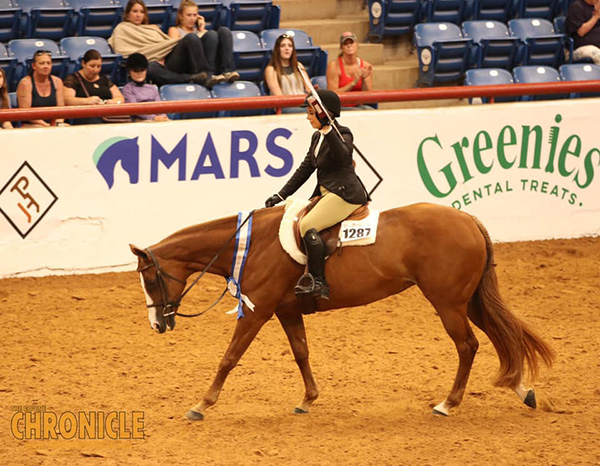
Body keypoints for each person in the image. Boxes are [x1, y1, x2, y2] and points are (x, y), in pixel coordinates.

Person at [264, 90, 369, 300]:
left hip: (344, 193)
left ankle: (319, 281)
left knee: (306, 225)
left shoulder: (343, 134)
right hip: (326, 192)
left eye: (311, 113)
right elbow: (305, 169)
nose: (307, 117)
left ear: (323, 114)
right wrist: (281, 194)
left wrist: (329, 130)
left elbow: (342, 157)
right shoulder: (316, 137)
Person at [109, 0, 217, 87]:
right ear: (127, 15)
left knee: (194, 37)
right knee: (150, 68)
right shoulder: (122, 28)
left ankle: (208, 75)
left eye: (142, 12)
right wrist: (154, 57)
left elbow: (167, 45)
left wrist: (162, 55)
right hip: (153, 63)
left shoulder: (153, 28)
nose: (138, 15)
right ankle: (193, 78)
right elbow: (122, 51)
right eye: (135, 11)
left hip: (169, 60)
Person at [167, 0, 239, 83]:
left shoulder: (200, 31)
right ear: (181, 16)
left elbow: (210, 45)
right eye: (189, 15)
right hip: (184, 65)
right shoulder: (174, 30)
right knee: (192, 37)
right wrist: (199, 34)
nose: (192, 19)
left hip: (203, 66)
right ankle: (207, 75)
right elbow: (174, 49)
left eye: (195, 15)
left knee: (223, 31)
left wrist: (201, 29)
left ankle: (227, 71)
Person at [63, 49, 126, 125]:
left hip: (108, 117)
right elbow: (67, 100)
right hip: (84, 118)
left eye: (99, 66)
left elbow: (120, 98)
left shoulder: (104, 79)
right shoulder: (73, 79)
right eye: (92, 66)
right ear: (83, 63)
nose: (95, 70)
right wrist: (87, 101)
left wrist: (111, 102)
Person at [16, 50, 68, 127]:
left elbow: (61, 110)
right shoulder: (25, 83)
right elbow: (25, 113)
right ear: (34, 66)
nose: (46, 66)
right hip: (32, 124)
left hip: (52, 124)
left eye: (48, 63)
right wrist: (46, 125)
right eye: (41, 63)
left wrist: (58, 123)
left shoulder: (57, 81)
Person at [327, 31, 374, 110]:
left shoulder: (365, 66)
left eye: (351, 42)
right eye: (345, 44)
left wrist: (364, 80)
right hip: (340, 107)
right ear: (341, 48)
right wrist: (353, 83)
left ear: (357, 45)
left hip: (359, 105)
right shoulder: (334, 66)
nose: (349, 46)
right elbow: (332, 95)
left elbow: (369, 96)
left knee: (369, 110)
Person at [264, 33, 309, 113]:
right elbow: (278, 96)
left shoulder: (299, 66)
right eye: (283, 46)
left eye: (290, 46)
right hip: (285, 107)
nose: (287, 48)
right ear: (277, 49)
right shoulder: (271, 69)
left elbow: (309, 89)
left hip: (303, 104)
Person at [121, 53, 169, 121]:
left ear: (146, 70)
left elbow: (160, 107)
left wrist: (163, 117)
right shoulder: (127, 89)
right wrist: (153, 118)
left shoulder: (153, 88)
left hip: (157, 118)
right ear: (129, 72)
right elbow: (135, 109)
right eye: (136, 71)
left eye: (142, 70)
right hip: (139, 120)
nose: (139, 73)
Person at [566, 0, 600, 65]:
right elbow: (581, 32)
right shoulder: (577, 7)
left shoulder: (597, 6)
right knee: (597, 54)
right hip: (579, 48)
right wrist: (596, 16)